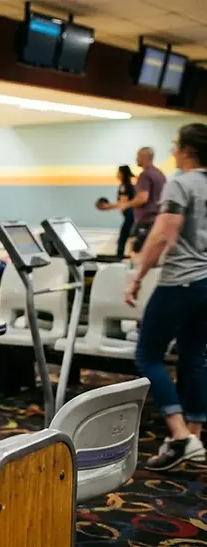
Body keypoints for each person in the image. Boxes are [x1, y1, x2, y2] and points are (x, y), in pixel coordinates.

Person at [126, 123, 207, 471]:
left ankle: (178, 435)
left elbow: (162, 235)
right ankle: (194, 439)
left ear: (187, 150)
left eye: (175, 145)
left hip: (181, 281)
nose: (172, 151)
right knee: (194, 358)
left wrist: (137, 275)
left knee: (147, 355)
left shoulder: (181, 182)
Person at [121, 147, 167, 254]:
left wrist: (127, 204)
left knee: (137, 254)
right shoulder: (160, 174)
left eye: (138, 156)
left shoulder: (145, 175)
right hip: (158, 221)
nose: (136, 159)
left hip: (145, 222)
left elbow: (142, 198)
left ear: (143, 157)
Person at [96, 165, 137, 258]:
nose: (117, 174)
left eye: (118, 172)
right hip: (131, 215)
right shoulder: (128, 185)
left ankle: (119, 259)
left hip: (130, 215)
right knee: (129, 238)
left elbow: (123, 203)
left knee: (122, 239)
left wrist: (107, 207)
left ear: (122, 174)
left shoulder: (124, 187)